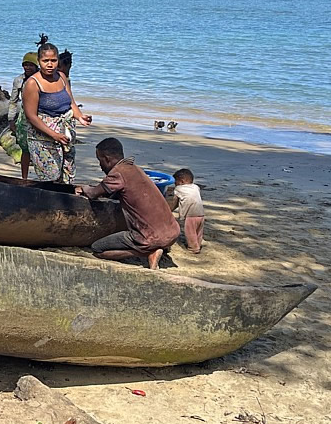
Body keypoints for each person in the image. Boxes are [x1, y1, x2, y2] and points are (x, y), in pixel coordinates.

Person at [76, 138, 179, 269]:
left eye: (99, 160)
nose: (100, 166)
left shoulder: (117, 174)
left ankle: (146, 252)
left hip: (150, 237)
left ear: (107, 159)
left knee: (98, 248)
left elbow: (92, 193)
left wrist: (83, 188)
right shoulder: (135, 169)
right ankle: (158, 247)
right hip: (172, 232)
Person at [21, 42, 91, 183]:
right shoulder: (33, 83)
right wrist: (54, 135)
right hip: (42, 137)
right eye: (45, 61)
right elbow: (31, 116)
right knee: (51, 177)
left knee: (67, 175)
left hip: (65, 135)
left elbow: (71, 103)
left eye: (53, 60)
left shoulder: (62, 77)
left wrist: (80, 116)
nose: (50, 64)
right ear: (39, 61)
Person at [6, 52, 38, 179]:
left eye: (31, 65)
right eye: (25, 65)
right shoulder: (18, 80)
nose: (27, 67)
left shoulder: (41, 79)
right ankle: (24, 177)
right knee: (25, 148)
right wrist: (11, 120)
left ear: (36, 66)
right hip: (24, 117)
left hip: (39, 116)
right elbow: (13, 101)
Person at [170, 168, 206, 253]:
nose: (175, 185)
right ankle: (198, 244)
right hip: (201, 214)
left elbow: (175, 202)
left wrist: (169, 209)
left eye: (175, 182)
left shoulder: (178, 189)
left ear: (181, 181)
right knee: (198, 231)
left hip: (190, 215)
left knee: (190, 232)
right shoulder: (196, 187)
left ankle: (193, 248)